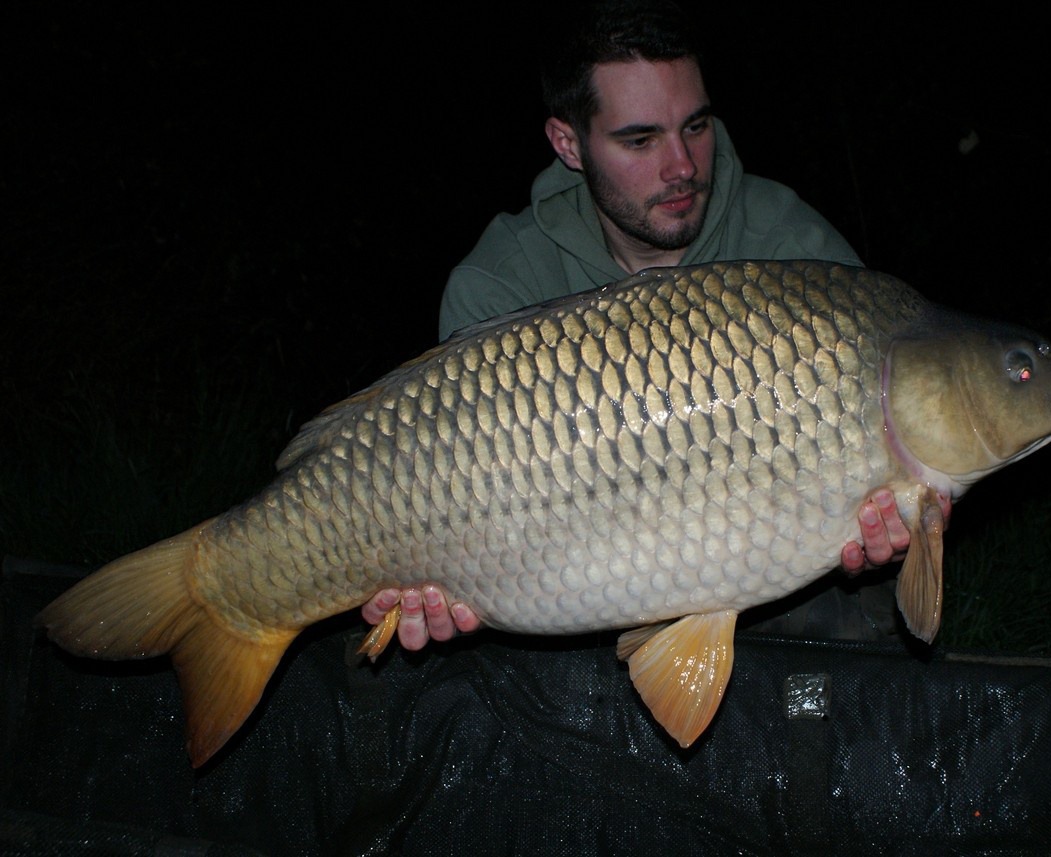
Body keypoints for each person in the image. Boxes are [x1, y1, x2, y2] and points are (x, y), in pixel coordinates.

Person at [360, 0, 947, 652]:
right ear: (567, 143)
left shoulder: (789, 245)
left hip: (778, 593)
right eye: (640, 140)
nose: (683, 166)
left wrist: (891, 542)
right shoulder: (500, 283)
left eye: (694, 126)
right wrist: (427, 581)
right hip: (563, 592)